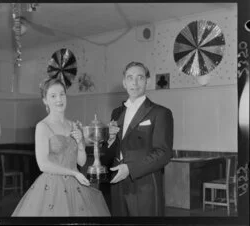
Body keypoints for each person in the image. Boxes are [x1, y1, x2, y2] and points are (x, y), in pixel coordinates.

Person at [12, 78, 110, 217]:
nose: (59, 99)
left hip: (76, 186)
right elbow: (43, 165)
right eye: (53, 96)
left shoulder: (73, 125)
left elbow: (81, 162)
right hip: (52, 186)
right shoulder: (42, 126)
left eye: (62, 94)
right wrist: (74, 173)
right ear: (45, 100)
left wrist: (80, 143)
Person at [106, 61, 174, 216]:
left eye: (140, 77)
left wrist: (130, 169)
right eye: (130, 78)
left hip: (145, 185)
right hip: (117, 183)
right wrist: (110, 139)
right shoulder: (116, 113)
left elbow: (164, 153)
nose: (134, 83)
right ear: (124, 83)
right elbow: (111, 153)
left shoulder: (161, 113)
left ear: (147, 81)